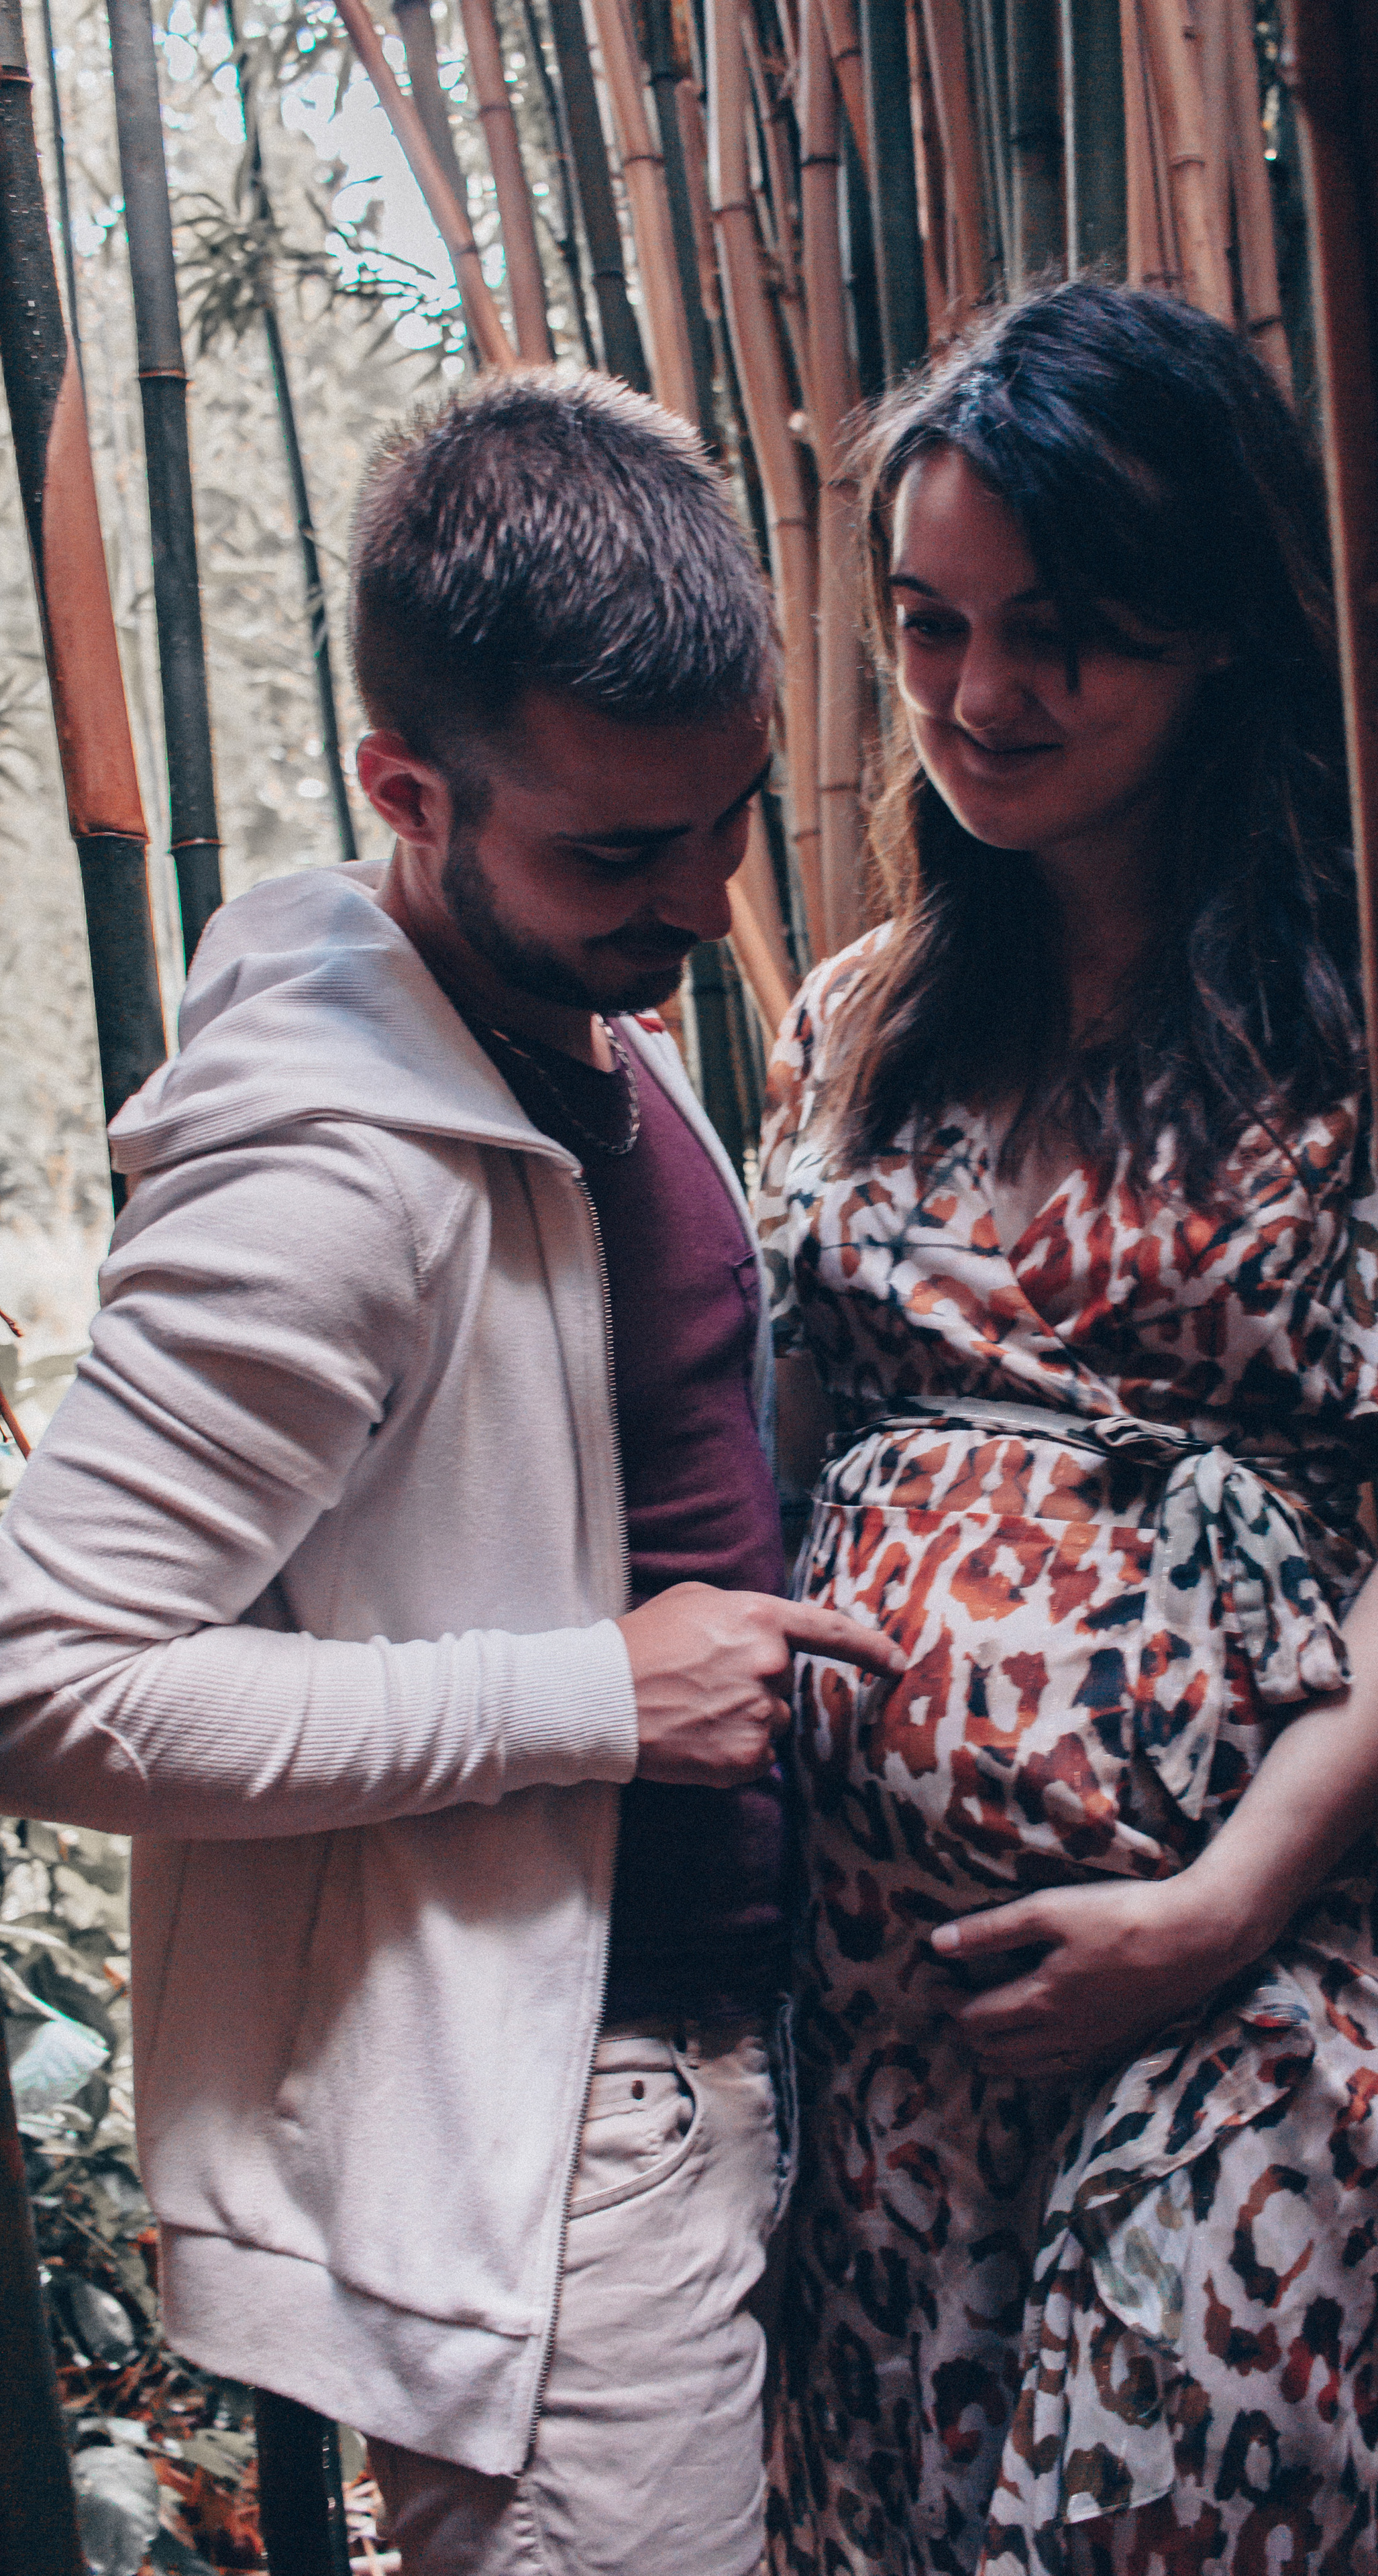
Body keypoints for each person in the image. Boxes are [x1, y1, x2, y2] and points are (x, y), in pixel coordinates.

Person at [0, 367, 900, 2576]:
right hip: (561, 2144)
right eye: (615, 851)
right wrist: (590, 1693)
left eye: (723, 820)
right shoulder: (329, 1168)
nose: (695, 898)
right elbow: (40, 1683)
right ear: (407, 790)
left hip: (734, 2062)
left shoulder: (559, 1016)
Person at [756, 280, 1378, 2576]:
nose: (978, 697)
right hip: (890, 2023)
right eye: (930, 627)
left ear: (1218, 626)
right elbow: (795, 1452)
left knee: (1169, 2516)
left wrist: (1223, 1901)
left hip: (1244, 1956)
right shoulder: (856, 1024)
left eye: (1063, 637)